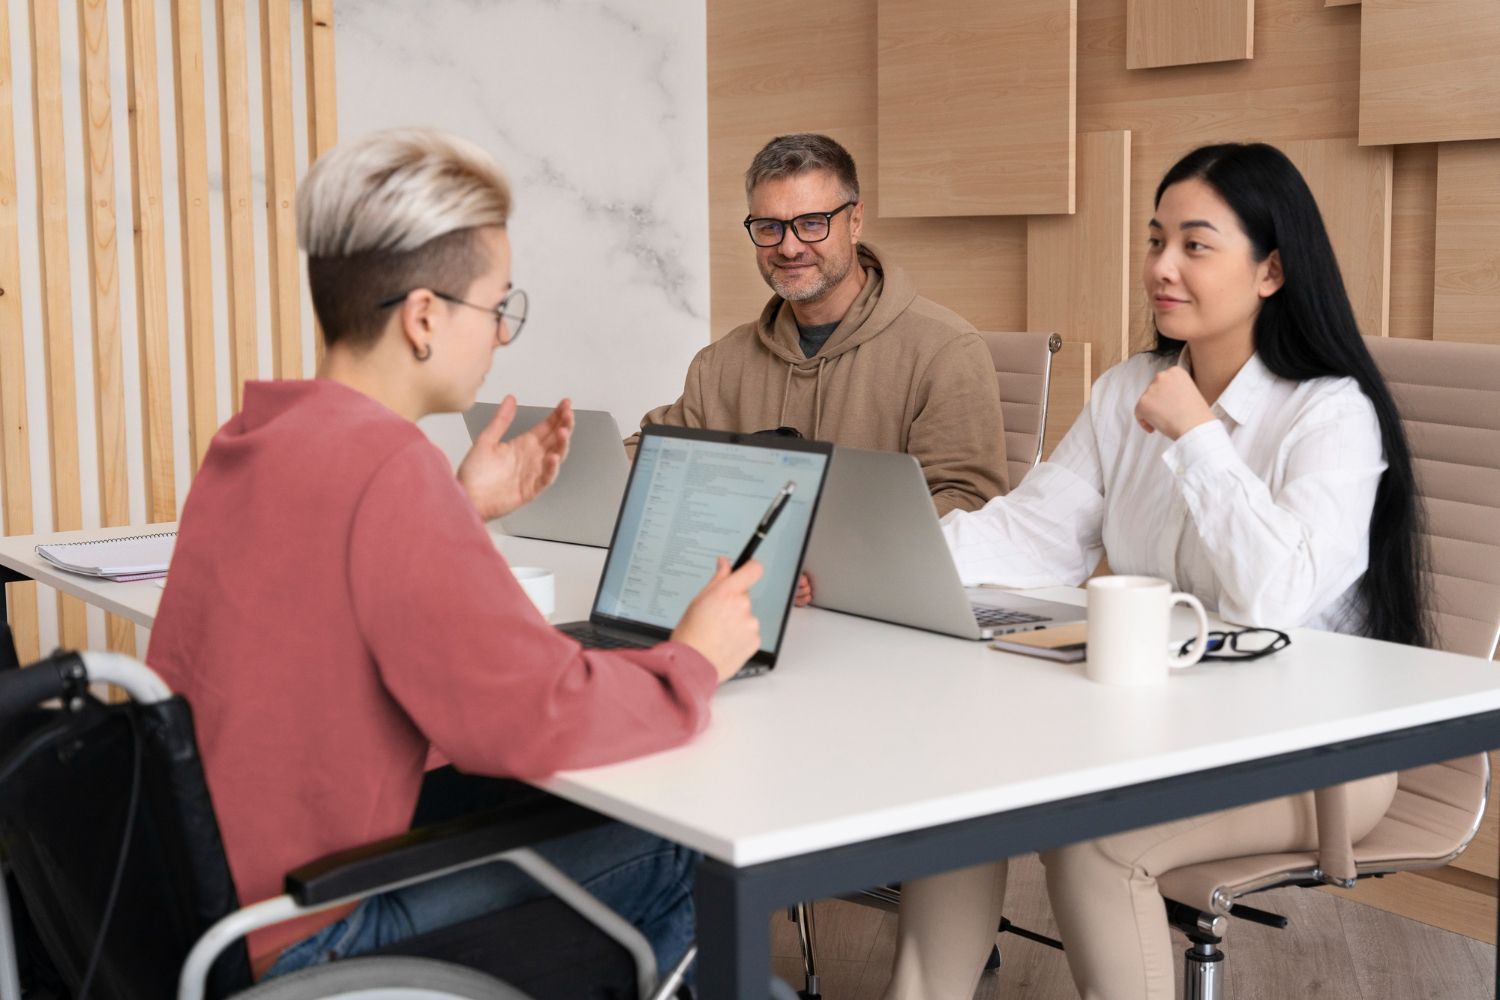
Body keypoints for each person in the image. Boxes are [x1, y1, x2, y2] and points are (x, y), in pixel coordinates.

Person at [148, 127, 765, 984]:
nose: (503, 334)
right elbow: (532, 717)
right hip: (313, 930)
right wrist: (692, 661)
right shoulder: (387, 469)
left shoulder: (260, 434)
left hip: (206, 906)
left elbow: (317, 601)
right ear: (426, 317)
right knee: (688, 852)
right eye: (499, 306)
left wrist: (456, 506)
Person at [890, 142, 1428, 999]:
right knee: (963, 782)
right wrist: (885, 551)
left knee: (1099, 841)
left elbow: (1278, 598)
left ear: (1272, 270)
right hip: (1161, 725)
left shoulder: (1330, 412)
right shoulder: (1124, 389)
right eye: (1153, 241)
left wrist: (1197, 437)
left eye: (1195, 244)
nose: (1162, 268)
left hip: (1316, 753)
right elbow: (1031, 535)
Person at [632, 133, 1009, 519]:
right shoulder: (720, 363)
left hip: (873, 575)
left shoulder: (945, 351)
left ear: (855, 221)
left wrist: (831, 542)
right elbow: (653, 456)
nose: (789, 247)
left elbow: (969, 501)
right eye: (768, 227)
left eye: (812, 223)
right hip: (750, 573)